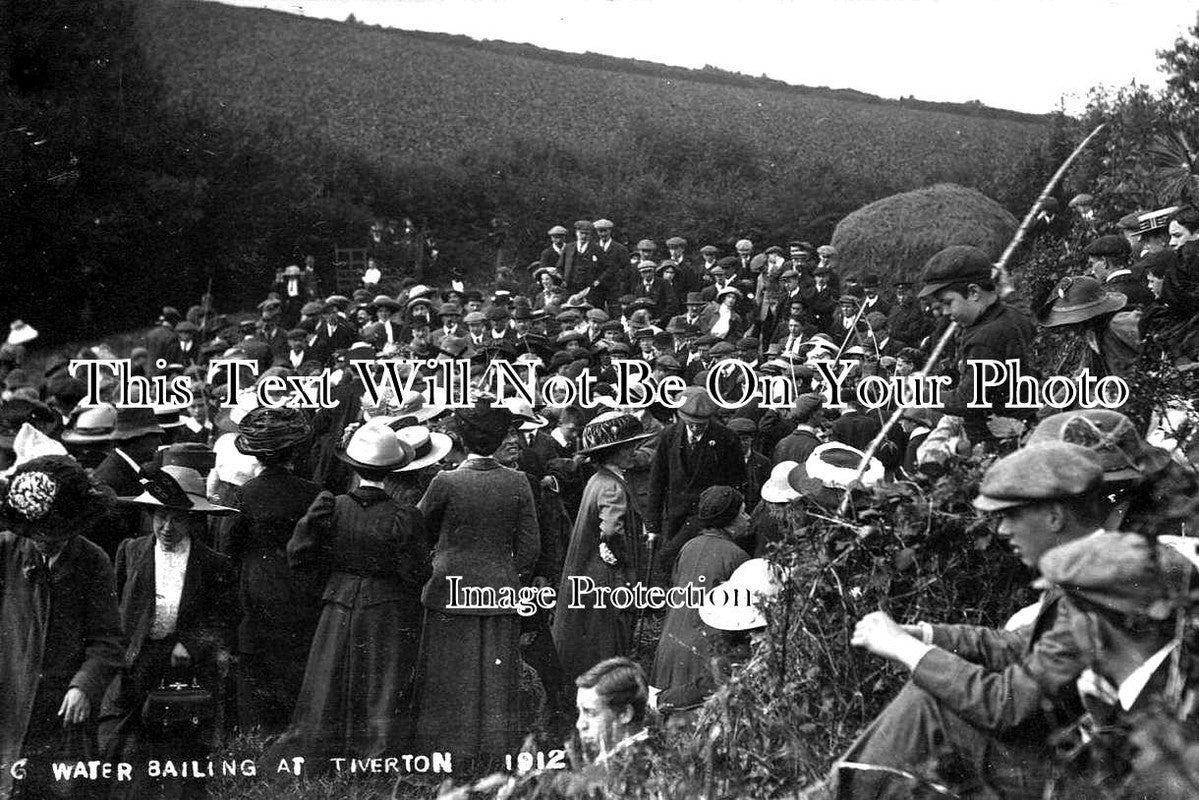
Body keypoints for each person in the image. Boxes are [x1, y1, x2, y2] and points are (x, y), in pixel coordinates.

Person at [822, 442, 1106, 800]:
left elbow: (1007, 707)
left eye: (1012, 515)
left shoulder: (1097, 588)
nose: (1002, 530)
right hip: (1077, 749)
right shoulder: (1093, 566)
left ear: (1054, 516)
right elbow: (1021, 645)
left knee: (931, 705)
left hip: (1083, 775)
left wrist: (906, 649)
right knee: (931, 696)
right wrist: (927, 635)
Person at [274, 421, 431, 765]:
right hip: (387, 606)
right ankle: (376, 755)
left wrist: (328, 580)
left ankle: (322, 750)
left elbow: (298, 552)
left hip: (339, 601)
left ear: (353, 466)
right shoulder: (404, 515)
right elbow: (418, 572)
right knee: (381, 679)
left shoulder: (331, 505)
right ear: (392, 470)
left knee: (330, 674)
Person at [99, 465, 237, 800]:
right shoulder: (131, 552)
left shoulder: (213, 563)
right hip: (136, 664)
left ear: (192, 520)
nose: (167, 527)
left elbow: (223, 619)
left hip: (184, 666)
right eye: (159, 517)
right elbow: (116, 610)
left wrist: (190, 644)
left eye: (177, 518)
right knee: (125, 756)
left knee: (180, 758)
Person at [413, 399, 540, 764]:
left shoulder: (445, 481)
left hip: (448, 588)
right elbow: (530, 546)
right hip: (499, 588)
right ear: (500, 438)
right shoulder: (517, 481)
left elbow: (418, 529)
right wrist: (511, 579)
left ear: (461, 440)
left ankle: (446, 751)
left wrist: (433, 563)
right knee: (496, 675)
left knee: (449, 672)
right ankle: (495, 751)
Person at [0, 456, 124, 800]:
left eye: (53, 534)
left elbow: (107, 640)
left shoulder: (92, 561)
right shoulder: (7, 552)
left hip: (61, 711)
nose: (42, 541)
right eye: (35, 533)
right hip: (9, 697)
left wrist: (84, 686)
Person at [224, 407, 322, 735]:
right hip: (301, 586)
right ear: (294, 451)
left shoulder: (245, 495)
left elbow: (230, 547)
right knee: (296, 663)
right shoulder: (313, 493)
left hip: (257, 586)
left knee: (257, 664)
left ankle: (258, 733)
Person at [553, 412, 655, 688]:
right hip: (607, 579)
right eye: (629, 447)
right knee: (608, 638)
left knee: (585, 637)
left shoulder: (598, 479)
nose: (634, 452)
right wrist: (618, 554)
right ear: (614, 452)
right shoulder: (612, 486)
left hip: (588, 574)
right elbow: (611, 530)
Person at [917, 245, 1036, 448]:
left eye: (948, 302)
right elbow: (1025, 315)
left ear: (973, 292)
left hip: (995, 445)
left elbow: (966, 401)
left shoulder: (985, 338)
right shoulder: (1011, 316)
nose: (944, 312)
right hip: (1021, 431)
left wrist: (922, 393)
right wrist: (1006, 290)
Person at [650, 486, 750, 700]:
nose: (748, 518)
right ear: (729, 520)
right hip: (702, 657)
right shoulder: (738, 557)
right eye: (743, 512)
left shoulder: (688, 547)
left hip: (669, 647)